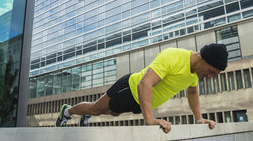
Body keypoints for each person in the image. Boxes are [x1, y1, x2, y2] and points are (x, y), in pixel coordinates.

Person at [55, 43, 228, 133]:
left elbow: (193, 92)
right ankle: (67, 111)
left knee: (113, 112)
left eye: (215, 74)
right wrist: (151, 120)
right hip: (129, 90)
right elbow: (144, 83)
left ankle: (85, 113)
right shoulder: (173, 56)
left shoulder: (194, 74)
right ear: (203, 58)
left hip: (140, 103)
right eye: (211, 71)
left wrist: (199, 118)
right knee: (96, 109)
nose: (210, 76)